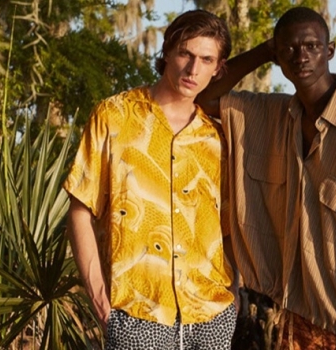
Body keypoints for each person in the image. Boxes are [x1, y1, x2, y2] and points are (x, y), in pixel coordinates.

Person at [197, 6, 336, 350]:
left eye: (312, 46)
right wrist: (264, 51)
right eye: (290, 49)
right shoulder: (273, 114)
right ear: (278, 56)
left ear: (329, 51)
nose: (302, 57)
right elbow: (204, 96)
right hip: (303, 316)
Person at [64, 9, 238, 350]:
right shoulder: (114, 116)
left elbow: (227, 226)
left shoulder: (217, 137)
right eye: (185, 54)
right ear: (167, 52)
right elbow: (80, 210)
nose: (193, 69)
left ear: (218, 68)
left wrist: (232, 298)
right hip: (137, 312)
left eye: (206, 59)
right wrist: (102, 302)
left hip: (211, 313)